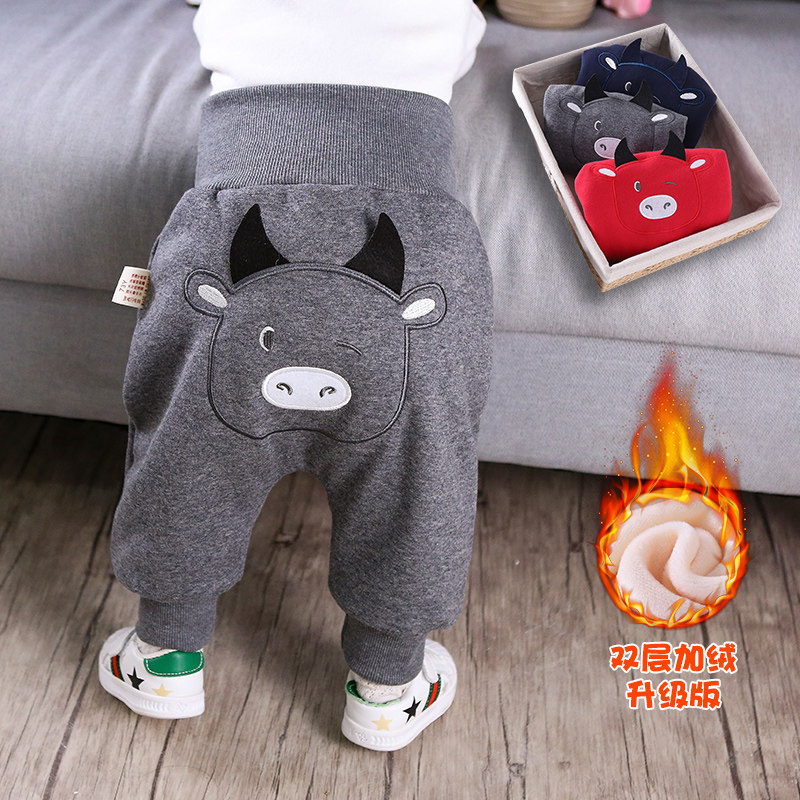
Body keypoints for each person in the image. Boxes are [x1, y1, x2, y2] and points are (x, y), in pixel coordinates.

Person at [97, 0, 492, 752]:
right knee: (419, 474)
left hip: (230, 230)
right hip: (416, 251)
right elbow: (464, 40)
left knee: (188, 452)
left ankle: (165, 658)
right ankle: (388, 689)